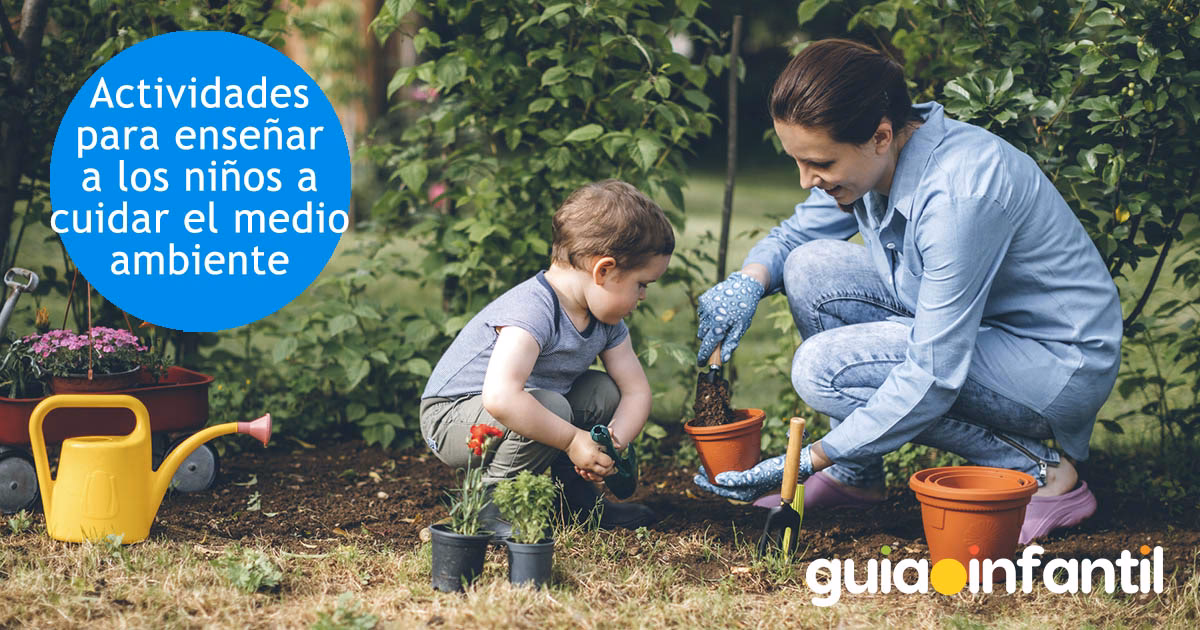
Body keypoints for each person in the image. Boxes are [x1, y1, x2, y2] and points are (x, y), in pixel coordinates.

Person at [691, 39, 1121, 544]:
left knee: (822, 368)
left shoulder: (959, 194)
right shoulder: (878, 159)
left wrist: (815, 455)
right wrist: (749, 280)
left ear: (879, 135)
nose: (807, 179)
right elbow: (793, 239)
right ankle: (858, 478)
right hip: (985, 330)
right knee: (809, 267)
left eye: (820, 164)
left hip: (1053, 363)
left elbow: (933, 374)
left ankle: (1043, 474)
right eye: (798, 162)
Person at [421, 179, 670, 538]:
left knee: (602, 391)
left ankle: (575, 503)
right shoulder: (533, 310)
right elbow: (501, 397)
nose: (643, 296)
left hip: (521, 405)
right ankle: (487, 511)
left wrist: (610, 443)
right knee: (551, 408)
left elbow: (635, 392)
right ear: (604, 270)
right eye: (641, 284)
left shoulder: (606, 320)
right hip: (451, 418)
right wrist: (572, 441)